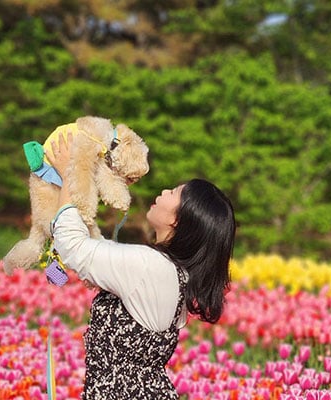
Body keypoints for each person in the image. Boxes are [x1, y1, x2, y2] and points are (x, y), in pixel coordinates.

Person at [46, 132, 236, 399]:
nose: (165, 191)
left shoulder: (151, 266)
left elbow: (72, 246)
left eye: (175, 193)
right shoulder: (174, 273)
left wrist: (70, 176)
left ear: (179, 220)